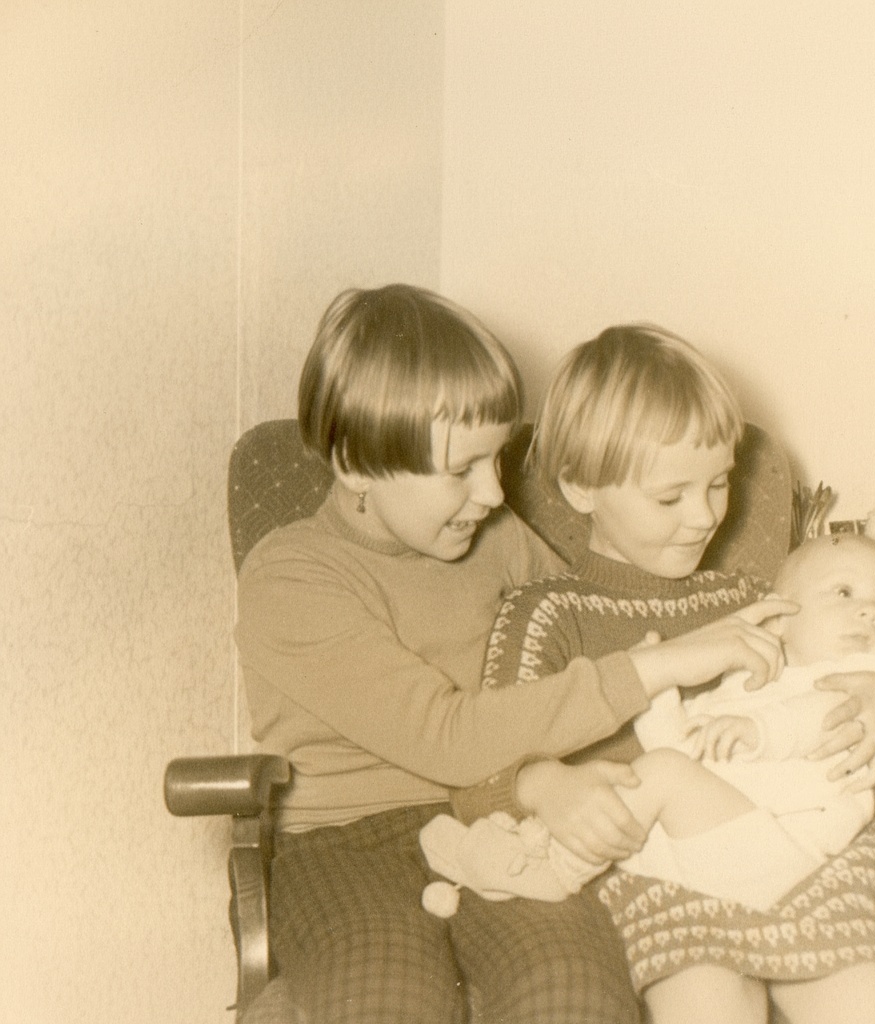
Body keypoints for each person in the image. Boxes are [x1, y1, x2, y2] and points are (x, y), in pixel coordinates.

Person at [234, 285, 802, 1024]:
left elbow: (578, 633)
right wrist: (662, 663)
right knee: (386, 994)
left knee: (572, 987)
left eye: (497, 458)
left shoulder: (494, 538)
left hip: (504, 824)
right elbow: (447, 735)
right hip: (347, 845)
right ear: (354, 462)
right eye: (462, 468)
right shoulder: (291, 576)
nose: (494, 492)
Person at [420, 324, 875, 1024]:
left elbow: (858, 654)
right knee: (711, 998)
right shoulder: (547, 614)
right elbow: (479, 764)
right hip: (657, 874)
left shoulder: (748, 599)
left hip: (796, 857)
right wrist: (544, 784)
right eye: (671, 497)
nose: (704, 516)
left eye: (719, 484)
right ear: (581, 486)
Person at [422, 532, 875, 1023]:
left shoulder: (854, 676)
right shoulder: (747, 678)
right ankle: (525, 846)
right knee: (662, 770)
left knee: (663, 774)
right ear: (778, 618)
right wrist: (659, 691)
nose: (870, 616)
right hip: (723, 856)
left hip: (797, 856)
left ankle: (552, 866)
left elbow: (812, 720)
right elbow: (680, 741)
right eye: (845, 594)